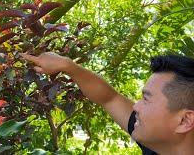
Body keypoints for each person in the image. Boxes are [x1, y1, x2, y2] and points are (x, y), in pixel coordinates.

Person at [20, 52, 194, 155]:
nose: (135, 106)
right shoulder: (159, 144)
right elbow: (109, 98)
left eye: (146, 99)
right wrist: (67, 66)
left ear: (185, 121)